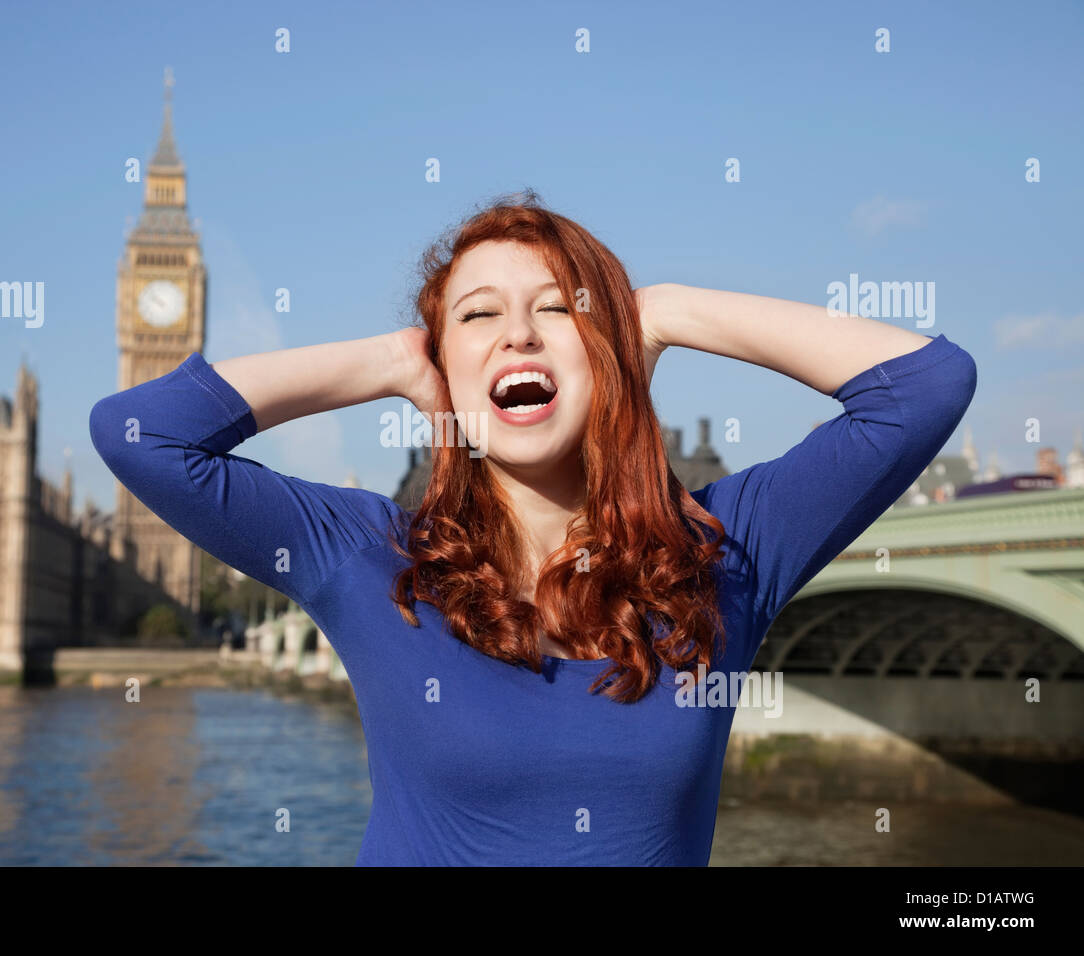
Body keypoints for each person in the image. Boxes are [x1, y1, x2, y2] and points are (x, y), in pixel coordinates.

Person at [89, 191, 978, 865]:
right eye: (478, 316)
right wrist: (397, 360)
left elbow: (925, 388)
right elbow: (140, 434)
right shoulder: (371, 559)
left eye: (558, 308)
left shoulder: (722, 553)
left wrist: (660, 312)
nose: (517, 333)